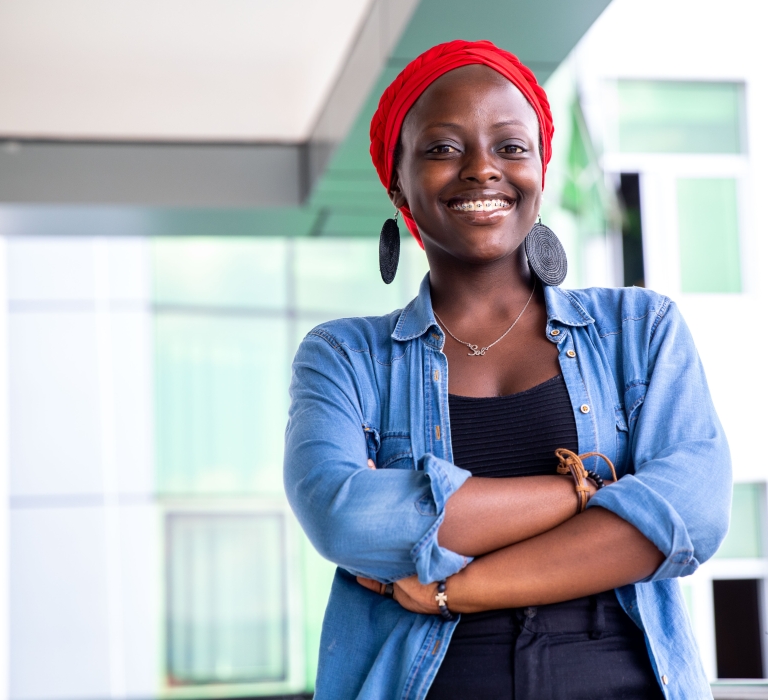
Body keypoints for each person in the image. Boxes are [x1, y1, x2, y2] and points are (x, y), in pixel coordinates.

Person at [284, 40, 732, 700]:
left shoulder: (641, 330)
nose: (481, 169)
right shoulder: (345, 358)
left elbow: (694, 512)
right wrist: (588, 493)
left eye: (511, 146)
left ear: (541, 171)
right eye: (443, 148)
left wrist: (456, 589)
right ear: (398, 181)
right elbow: (345, 520)